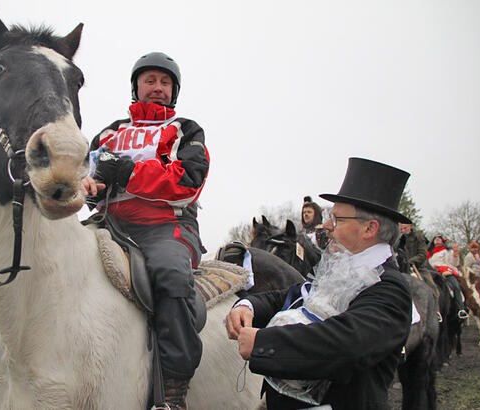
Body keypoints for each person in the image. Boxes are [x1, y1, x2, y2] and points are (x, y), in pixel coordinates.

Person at [225, 158, 413, 410]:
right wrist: (247, 306)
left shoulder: (389, 289)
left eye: (337, 220)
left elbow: (344, 343)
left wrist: (263, 344)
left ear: (369, 228)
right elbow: (291, 296)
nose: (326, 226)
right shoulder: (342, 268)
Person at [81, 52, 208, 409]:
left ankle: (174, 387)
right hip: (108, 221)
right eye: (150, 80)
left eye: (165, 82)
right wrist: (89, 184)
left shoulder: (186, 129)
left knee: (170, 274)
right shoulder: (109, 133)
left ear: (174, 91)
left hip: (165, 225)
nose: (157, 87)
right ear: (137, 86)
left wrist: (126, 172)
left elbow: (188, 181)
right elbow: (88, 178)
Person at [427, 235, 468, 319]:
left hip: (446, 272)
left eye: (439, 238)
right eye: (435, 238)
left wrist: (456, 254)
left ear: (442, 241)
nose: (437, 239)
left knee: (456, 286)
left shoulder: (448, 251)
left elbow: (454, 263)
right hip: (433, 273)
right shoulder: (429, 254)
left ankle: (461, 309)